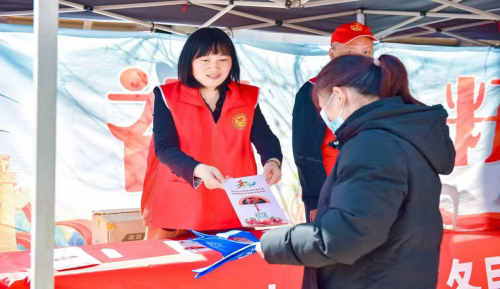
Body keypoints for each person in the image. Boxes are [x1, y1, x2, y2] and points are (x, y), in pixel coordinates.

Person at [257, 54, 456, 289]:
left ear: (339, 96)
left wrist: (275, 243)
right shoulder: (407, 136)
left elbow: (345, 235)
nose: (326, 118)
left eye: (324, 109)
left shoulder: (373, 144)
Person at [141, 28, 283, 239]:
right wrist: (198, 169)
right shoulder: (167, 96)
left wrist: (273, 161)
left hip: (235, 200)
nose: (214, 67)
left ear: (231, 62)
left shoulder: (247, 97)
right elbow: (164, 148)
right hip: (182, 200)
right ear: (189, 62)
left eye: (222, 59)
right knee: (176, 267)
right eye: (205, 60)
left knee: (237, 266)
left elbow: (265, 138)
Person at [293, 22, 377, 222]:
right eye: (350, 52)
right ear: (332, 55)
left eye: (366, 52)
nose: (360, 59)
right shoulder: (313, 90)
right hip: (330, 191)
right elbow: (305, 150)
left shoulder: (378, 89)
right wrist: (315, 199)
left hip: (372, 189)